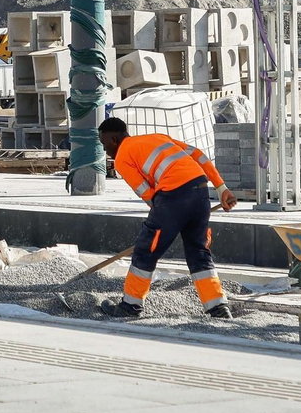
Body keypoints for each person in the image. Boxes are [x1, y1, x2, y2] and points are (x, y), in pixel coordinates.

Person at [98, 117, 237, 319]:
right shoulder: (158, 137)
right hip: (200, 191)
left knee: (146, 250)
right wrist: (222, 188)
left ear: (115, 138)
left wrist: (163, 222)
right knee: (198, 251)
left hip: (173, 196)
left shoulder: (122, 157)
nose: (105, 150)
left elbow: (148, 194)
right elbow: (199, 156)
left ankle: (130, 307)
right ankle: (218, 308)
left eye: (105, 144)